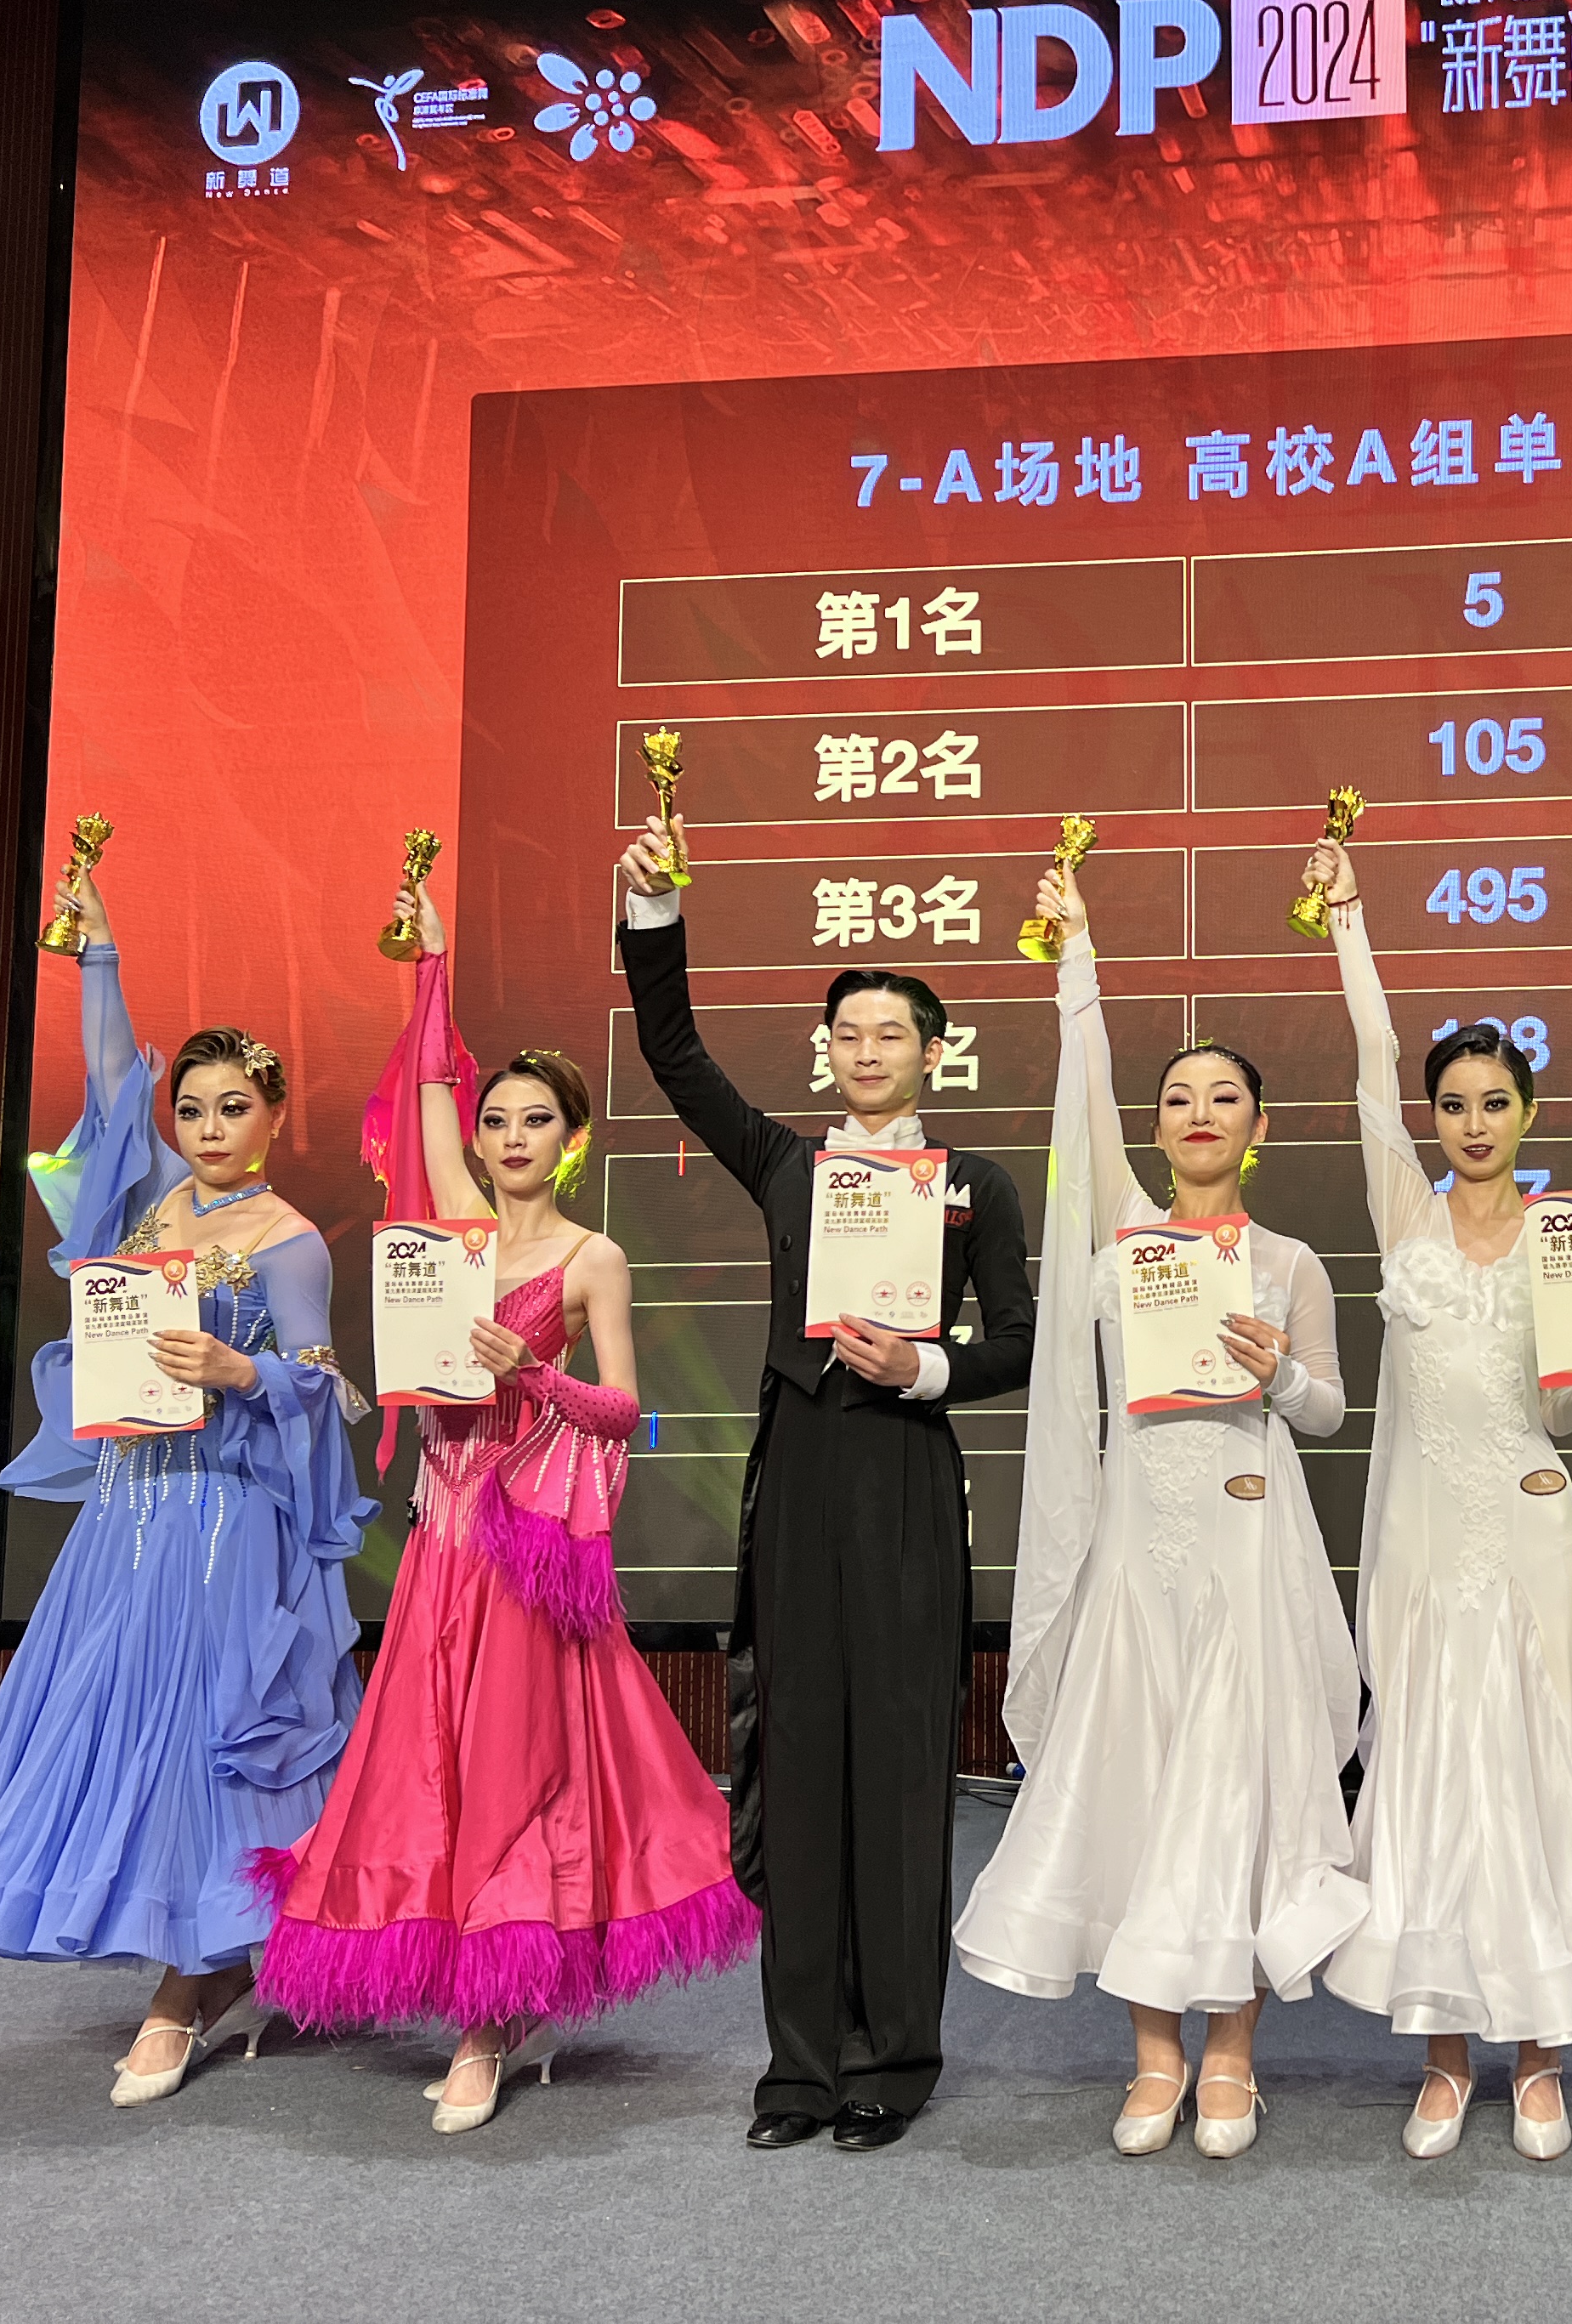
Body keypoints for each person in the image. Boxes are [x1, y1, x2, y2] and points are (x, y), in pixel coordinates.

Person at [247, 883, 756, 2133]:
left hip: (527, 1550)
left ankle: (492, 2022)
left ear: (571, 1140)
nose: (512, 1135)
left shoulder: (593, 1258)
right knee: (428, 1768)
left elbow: (624, 1411)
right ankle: (487, 1997)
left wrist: (536, 1373)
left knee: (521, 1770)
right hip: (444, 1545)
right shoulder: (453, 1238)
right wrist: (429, 961)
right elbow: (429, 1083)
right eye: (497, 1119)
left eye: (538, 1120)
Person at [0, 854, 370, 2105]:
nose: (207, 1129)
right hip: (128, 1515)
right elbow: (111, 1088)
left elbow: (320, 1381)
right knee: (120, 1729)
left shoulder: (290, 1242)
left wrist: (242, 1369)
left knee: (205, 1742)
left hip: (226, 1520)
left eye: (233, 1108)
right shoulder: (155, 1202)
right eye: (193, 1109)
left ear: (274, 1116)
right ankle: (211, 1962)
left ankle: (184, 1983)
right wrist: (96, 952)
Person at [613, 823, 1035, 2153]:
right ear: (828, 1053)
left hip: (906, 1475)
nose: (866, 1050)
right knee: (796, 1766)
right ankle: (796, 2069)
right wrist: (654, 910)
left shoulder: (974, 1185)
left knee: (902, 1769)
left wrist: (926, 1366)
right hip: (797, 1477)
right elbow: (675, 1056)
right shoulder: (789, 1165)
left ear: (933, 1052)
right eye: (847, 1033)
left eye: (890, 1033)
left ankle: (893, 2059)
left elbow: (1021, 1343)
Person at [953, 859, 1365, 2159]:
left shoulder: (1289, 1263)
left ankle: (1231, 2053)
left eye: (1223, 1097)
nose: (1198, 1113)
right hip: (1139, 1555)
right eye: (1178, 1097)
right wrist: (1077, 963)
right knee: (1138, 1791)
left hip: (1251, 1554)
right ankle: (1151, 2056)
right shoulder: (1124, 1239)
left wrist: (1277, 1373)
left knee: (1239, 1796)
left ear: (1259, 1126)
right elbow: (1082, 1107)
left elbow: (1327, 1413)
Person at [1305, 836, 1572, 2161]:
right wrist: (1350, 923)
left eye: (1495, 1102)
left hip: (1532, 1539)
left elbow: (1562, 1412)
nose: (1473, 1122)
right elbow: (1369, 1061)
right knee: (1434, 1784)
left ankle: (1538, 2055)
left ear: (1528, 1113)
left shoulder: (1571, 1239)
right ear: (1431, 1118)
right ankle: (1442, 2053)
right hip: (1427, 1548)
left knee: (1538, 1785)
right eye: (1453, 1103)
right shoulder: (1405, 1219)